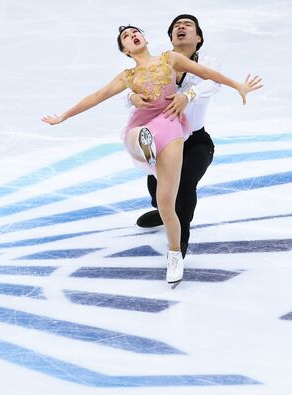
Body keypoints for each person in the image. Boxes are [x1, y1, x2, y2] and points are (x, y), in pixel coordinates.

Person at [41, 24, 262, 288]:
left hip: (170, 125)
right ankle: (147, 147)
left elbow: (206, 73)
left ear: (144, 38)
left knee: (165, 202)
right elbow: (97, 96)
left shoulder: (170, 59)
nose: (132, 36)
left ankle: (174, 253)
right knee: (136, 136)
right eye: (126, 36)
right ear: (125, 50)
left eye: (135, 32)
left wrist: (238, 85)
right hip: (142, 125)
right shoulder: (127, 76)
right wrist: (63, 116)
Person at [132, 15, 220, 259]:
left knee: (184, 184)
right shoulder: (157, 65)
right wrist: (133, 98)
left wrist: (187, 95)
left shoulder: (208, 63)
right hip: (164, 141)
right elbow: (129, 89)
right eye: (176, 26)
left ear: (198, 38)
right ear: (171, 37)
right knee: (156, 187)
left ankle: (180, 240)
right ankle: (162, 211)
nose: (181, 27)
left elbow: (214, 83)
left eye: (187, 24)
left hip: (196, 142)